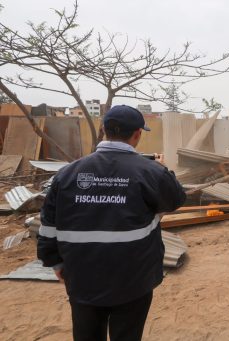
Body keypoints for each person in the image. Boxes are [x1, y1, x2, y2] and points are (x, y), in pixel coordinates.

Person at [37, 105, 186, 341]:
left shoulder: (66, 174)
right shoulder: (150, 172)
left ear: (104, 129)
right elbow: (176, 199)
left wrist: (54, 262)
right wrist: (163, 169)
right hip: (134, 279)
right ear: (137, 134)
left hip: (82, 276)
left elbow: (48, 226)